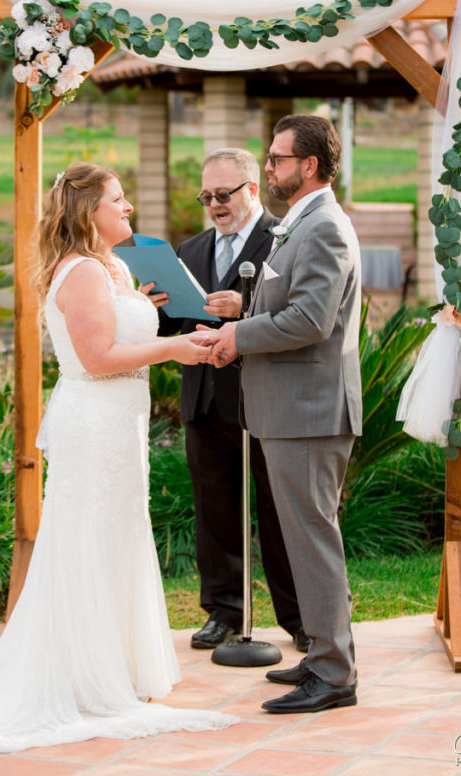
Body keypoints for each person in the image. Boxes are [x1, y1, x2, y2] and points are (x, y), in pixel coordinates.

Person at [0, 163, 236, 768]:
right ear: (89, 211)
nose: (129, 206)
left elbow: (118, 334)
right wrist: (173, 347)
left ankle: (115, 660)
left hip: (121, 420)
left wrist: (147, 309)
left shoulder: (111, 266)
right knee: (88, 538)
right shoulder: (82, 269)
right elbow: (98, 356)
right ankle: (82, 672)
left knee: (117, 536)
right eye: (117, 199)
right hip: (97, 421)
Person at [205, 116, 362, 715]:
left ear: (309, 167)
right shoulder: (304, 222)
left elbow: (309, 321)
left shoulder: (323, 227)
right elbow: (293, 300)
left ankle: (334, 675)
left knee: (313, 541)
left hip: (310, 412)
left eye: (276, 159)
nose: (268, 168)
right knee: (305, 540)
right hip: (294, 410)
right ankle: (324, 653)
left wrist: (239, 335)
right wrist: (243, 308)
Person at [145, 148, 307, 652]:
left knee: (281, 513)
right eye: (206, 196)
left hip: (266, 400)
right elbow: (172, 328)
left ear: (252, 189)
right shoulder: (189, 251)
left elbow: (302, 312)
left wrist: (247, 305)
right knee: (215, 512)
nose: (214, 204)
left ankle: (300, 617)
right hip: (205, 401)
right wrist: (153, 308)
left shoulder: (283, 240)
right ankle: (224, 610)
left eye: (224, 194)